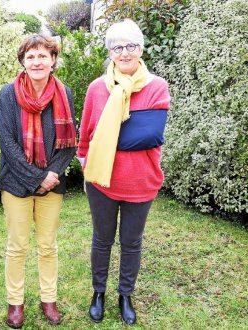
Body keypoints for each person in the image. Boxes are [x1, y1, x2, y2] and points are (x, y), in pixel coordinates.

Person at [77, 19, 170, 325]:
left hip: (141, 181)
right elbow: (87, 132)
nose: (125, 52)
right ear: (110, 52)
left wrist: (112, 138)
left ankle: (125, 294)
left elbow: (150, 135)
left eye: (131, 45)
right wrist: (84, 159)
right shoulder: (96, 89)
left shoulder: (156, 86)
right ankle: (99, 292)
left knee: (132, 242)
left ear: (141, 49)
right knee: (102, 240)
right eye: (118, 46)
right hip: (102, 181)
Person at [0, 35, 77, 329]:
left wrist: (50, 176)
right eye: (30, 57)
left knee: (47, 245)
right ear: (23, 62)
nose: (37, 62)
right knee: (17, 246)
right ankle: (15, 303)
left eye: (43, 56)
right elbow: (7, 142)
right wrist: (37, 178)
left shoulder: (63, 93)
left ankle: (48, 299)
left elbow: (68, 142)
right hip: (16, 183)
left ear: (53, 60)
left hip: (52, 183)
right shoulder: (7, 94)